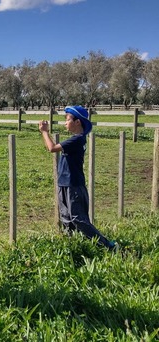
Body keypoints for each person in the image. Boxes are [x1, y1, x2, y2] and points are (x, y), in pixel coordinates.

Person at [38, 105, 117, 251]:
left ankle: (107, 246)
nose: (65, 123)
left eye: (67, 119)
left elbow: (52, 148)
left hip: (73, 184)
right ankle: (73, 248)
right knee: (66, 218)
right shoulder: (75, 139)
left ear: (77, 122)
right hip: (64, 183)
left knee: (78, 219)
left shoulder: (78, 139)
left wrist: (44, 132)